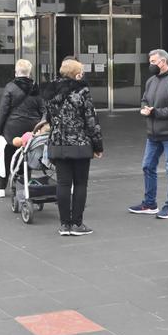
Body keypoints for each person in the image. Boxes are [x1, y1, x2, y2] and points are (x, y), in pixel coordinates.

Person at [42, 58, 103, 237]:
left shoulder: (50, 92)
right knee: (80, 184)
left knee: (63, 184)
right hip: (79, 144)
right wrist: (98, 144)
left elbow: (49, 118)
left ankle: (64, 224)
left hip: (58, 143)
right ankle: (77, 223)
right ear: (77, 73)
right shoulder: (82, 91)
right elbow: (91, 121)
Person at [129, 49, 168, 219]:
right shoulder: (151, 81)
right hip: (152, 133)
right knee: (147, 166)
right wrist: (145, 107)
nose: (150, 64)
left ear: (163, 62)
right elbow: (145, 99)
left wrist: (155, 112)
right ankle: (149, 203)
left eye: (153, 61)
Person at [0, 59, 44, 198]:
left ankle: (1, 188)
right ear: (29, 73)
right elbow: (42, 109)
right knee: (26, 155)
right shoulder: (36, 87)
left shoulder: (10, 87)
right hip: (31, 128)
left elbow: (3, 110)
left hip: (12, 128)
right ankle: (22, 184)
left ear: (16, 72)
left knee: (7, 156)